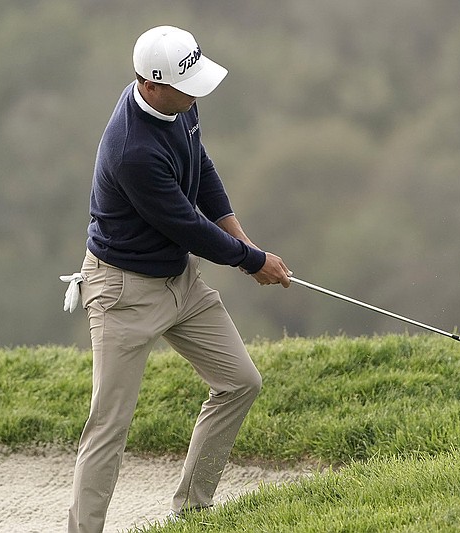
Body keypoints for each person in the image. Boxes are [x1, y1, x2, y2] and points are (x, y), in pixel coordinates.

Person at [66, 26, 291, 533]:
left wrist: (247, 244)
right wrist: (251, 261)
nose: (196, 95)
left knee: (240, 383)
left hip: (179, 282)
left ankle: (192, 510)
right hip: (122, 292)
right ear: (149, 84)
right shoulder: (133, 152)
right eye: (185, 86)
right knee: (109, 427)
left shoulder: (180, 103)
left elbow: (202, 171)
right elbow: (186, 226)